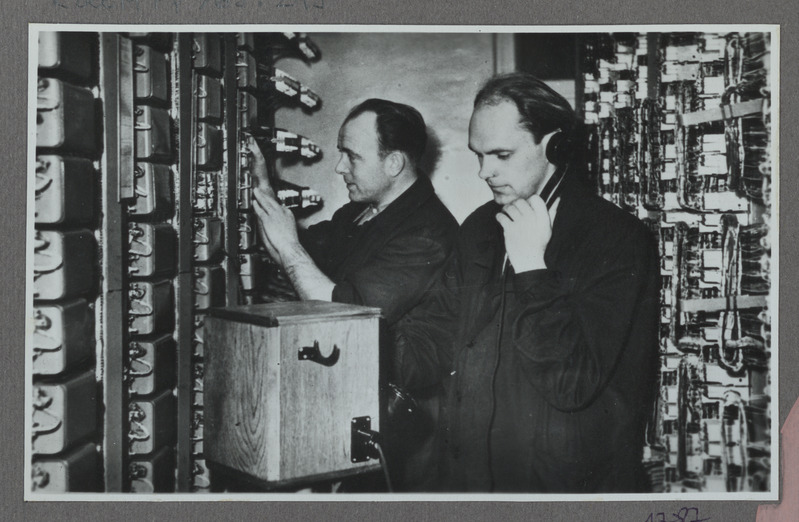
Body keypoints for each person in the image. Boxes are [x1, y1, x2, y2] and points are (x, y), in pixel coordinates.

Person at [392, 73, 660, 492]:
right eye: (479, 155)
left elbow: (572, 385)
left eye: (501, 154)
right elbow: (438, 336)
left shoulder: (616, 238)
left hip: (562, 491)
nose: (485, 172)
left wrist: (531, 266)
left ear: (554, 145)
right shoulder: (479, 228)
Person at [246, 99, 458, 491]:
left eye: (351, 156)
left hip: (401, 432)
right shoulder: (365, 213)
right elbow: (298, 253)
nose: (340, 167)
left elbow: (346, 316)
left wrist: (292, 251)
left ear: (393, 164)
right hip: (356, 397)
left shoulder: (427, 234)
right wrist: (261, 187)